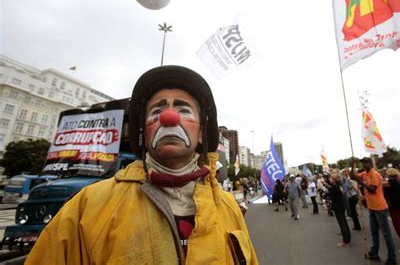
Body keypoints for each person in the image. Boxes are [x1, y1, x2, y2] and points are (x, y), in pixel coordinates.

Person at [26, 65, 258, 264]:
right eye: (156, 111)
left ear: (201, 133)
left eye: (183, 109)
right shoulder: (85, 208)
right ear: (143, 134)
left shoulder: (228, 207)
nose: (169, 118)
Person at [355, 157, 397, 265]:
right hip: (372, 207)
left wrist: (361, 182)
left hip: (380, 208)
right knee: (374, 231)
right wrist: (352, 167)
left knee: (386, 233)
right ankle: (374, 252)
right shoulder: (364, 174)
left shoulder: (375, 174)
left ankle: (392, 257)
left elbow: (372, 190)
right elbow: (353, 177)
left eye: (365, 162)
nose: (364, 165)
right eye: (362, 163)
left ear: (370, 163)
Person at [325, 173, 351, 247]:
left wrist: (323, 186)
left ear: (333, 179)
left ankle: (345, 240)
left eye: (330, 178)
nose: (329, 179)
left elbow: (329, 192)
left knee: (342, 223)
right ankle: (347, 237)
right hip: (341, 205)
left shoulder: (335, 187)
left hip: (338, 206)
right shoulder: (338, 186)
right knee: (344, 222)